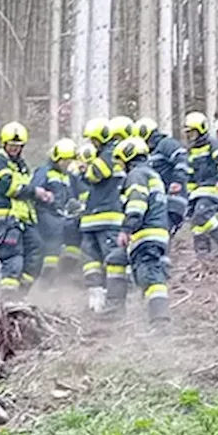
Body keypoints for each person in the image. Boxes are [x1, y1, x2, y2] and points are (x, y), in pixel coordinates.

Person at [0, 122, 51, 296]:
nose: (14, 149)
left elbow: (25, 189)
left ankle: (21, 293)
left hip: (22, 219)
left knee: (37, 252)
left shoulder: (21, 165)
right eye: (11, 145)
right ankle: (9, 300)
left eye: (18, 146)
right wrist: (35, 192)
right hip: (5, 219)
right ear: (4, 144)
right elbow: (8, 186)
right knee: (13, 258)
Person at [114, 137, 172, 326]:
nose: (120, 166)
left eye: (121, 161)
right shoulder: (152, 174)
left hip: (146, 234)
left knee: (151, 277)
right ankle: (149, 318)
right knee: (146, 274)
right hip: (158, 232)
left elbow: (137, 204)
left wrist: (126, 228)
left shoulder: (137, 175)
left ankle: (160, 322)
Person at [80, 117, 127, 313]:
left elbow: (95, 174)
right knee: (91, 258)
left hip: (108, 217)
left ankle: (116, 302)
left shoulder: (111, 153)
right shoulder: (103, 154)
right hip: (93, 218)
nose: (92, 144)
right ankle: (96, 295)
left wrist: (86, 168)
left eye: (94, 140)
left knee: (112, 258)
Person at [184, 111, 218, 259]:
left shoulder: (212, 144)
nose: (190, 136)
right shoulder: (192, 150)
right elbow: (191, 175)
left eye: (192, 132)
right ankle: (203, 254)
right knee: (196, 223)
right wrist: (188, 195)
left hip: (214, 187)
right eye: (188, 133)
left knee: (202, 214)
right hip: (198, 191)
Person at [31, 139, 79, 286]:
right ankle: (46, 279)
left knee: (74, 234)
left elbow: (73, 195)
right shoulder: (44, 172)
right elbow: (34, 190)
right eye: (64, 161)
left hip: (62, 215)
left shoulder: (68, 176)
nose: (66, 164)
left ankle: (66, 272)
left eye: (69, 161)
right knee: (53, 242)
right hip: (46, 213)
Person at [135, 117, 190, 234]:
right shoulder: (149, 153)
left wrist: (177, 180)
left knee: (163, 230)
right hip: (160, 202)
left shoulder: (166, 144)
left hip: (173, 199)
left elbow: (182, 160)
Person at [58, 142, 94, 281]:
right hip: (75, 218)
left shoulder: (99, 177)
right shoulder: (73, 177)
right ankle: (67, 272)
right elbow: (70, 197)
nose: (85, 167)